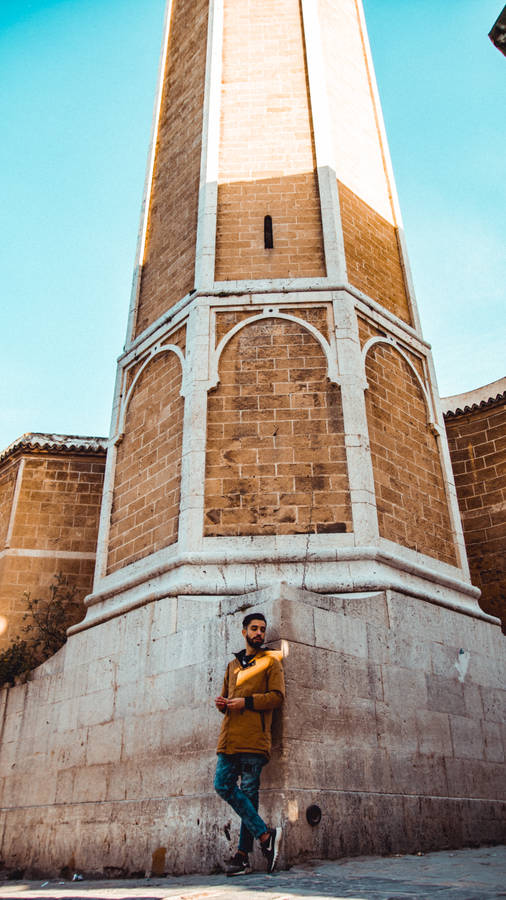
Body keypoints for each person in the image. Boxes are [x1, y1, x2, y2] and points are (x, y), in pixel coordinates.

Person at [214, 611, 285, 876]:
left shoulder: (271, 662)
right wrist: (223, 704)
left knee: (249, 797)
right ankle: (266, 835)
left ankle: (243, 856)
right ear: (244, 632)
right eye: (254, 628)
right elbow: (226, 698)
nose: (259, 633)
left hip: (255, 741)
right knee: (222, 785)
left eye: (262, 629)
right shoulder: (232, 666)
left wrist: (247, 702)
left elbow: (277, 697)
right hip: (229, 738)